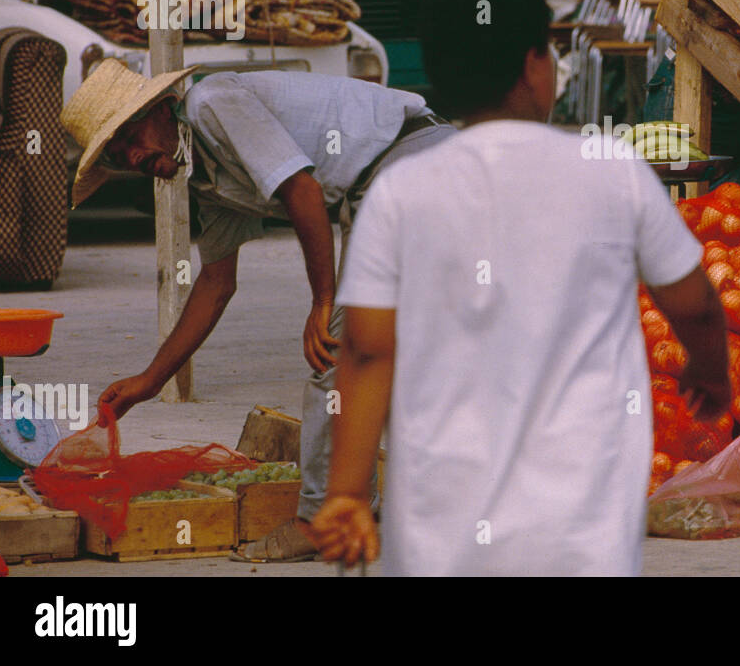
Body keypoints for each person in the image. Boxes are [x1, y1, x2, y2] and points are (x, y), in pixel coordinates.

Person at [307, 0, 730, 575]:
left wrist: (346, 492)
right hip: (581, 531)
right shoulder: (610, 170)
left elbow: (368, 352)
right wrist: (710, 372)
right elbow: (694, 304)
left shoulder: (401, 192)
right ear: (537, 65)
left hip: (440, 529)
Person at [61, 60, 457, 559]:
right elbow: (216, 283)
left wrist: (323, 301)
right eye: (119, 155)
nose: (134, 156)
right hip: (390, 182)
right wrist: (152, 379)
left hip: (410, 159)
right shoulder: (207, 180)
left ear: (161, 109)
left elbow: (303, 191)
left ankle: (321, 518)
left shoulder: (211, 106)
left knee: (335, 352)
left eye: (131, 136)